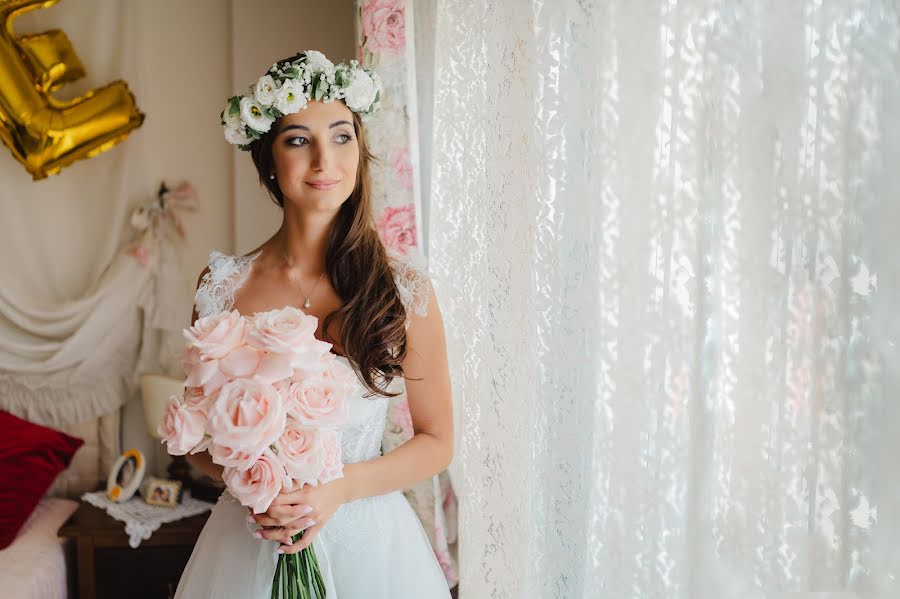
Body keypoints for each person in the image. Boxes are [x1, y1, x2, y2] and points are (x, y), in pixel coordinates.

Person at [173, 51, 454, 598]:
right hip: (251, 535)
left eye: (342, 136)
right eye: (299, 139)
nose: (326, 160)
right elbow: (196, 436)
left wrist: (339, 488)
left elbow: (437, 442)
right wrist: (254, 482)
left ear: (360, 149)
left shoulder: (405, 290)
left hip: (371, 547)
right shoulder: (222, 285)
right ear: (268, 159)